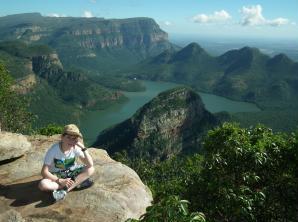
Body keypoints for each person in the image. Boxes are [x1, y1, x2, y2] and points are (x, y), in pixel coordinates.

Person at [38, 124, 95, 201]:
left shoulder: (75, 148)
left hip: (71, 172)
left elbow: (90, 164)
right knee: (43, 185)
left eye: (74, 138)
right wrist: (59, 180)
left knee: (91, 169)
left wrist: (83, 148)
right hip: (57, 175)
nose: (71, 141)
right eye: (68, 137)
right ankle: (77, 183)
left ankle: (64, 190)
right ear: (62, 137)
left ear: (77, 140)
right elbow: (44, 171)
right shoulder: (54, 150)